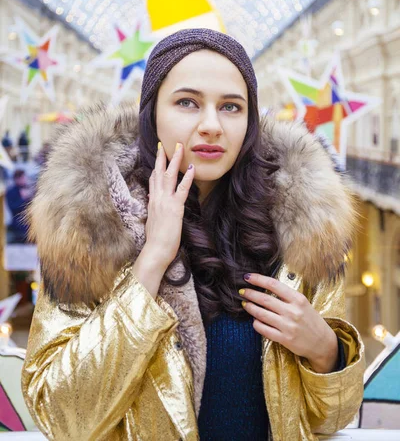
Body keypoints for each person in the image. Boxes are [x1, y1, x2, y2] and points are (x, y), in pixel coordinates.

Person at [22, 29, 365, 441]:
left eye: (231, 107)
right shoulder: (87, 225)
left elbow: (334, 418)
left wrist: (326, 351)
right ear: (152, 114)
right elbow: (59, 416)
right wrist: (152, 261)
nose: (211, 126)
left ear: (250, 121)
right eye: (187, 102)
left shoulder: (302, 227)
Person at [5, 169, 33, 244]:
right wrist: (23, 199)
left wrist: (30, 197)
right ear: (17, 179)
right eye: (23, 178)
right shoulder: (11, 191)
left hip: (30, 218)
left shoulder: (28, 189)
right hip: (18, 220)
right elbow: (13, 208)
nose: (25, 180)